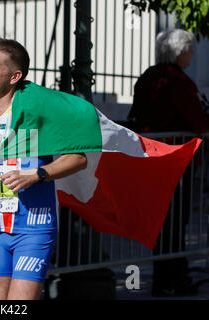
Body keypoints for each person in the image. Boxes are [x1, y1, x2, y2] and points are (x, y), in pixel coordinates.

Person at [0, 39, 88, 300]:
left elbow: (78, 159)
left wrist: (37, 174)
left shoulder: (34, 112)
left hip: (33, 229)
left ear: (15, 76)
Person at [128, 29, 209, 297]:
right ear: (179, 52)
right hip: (175, 161)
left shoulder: (148, 77)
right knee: (175, 222)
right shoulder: (178, 82)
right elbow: (198, 123)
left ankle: (168, 277)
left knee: (163, 222)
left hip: (150, 158)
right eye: (188, 49)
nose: (191, 54)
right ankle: (172, 279)